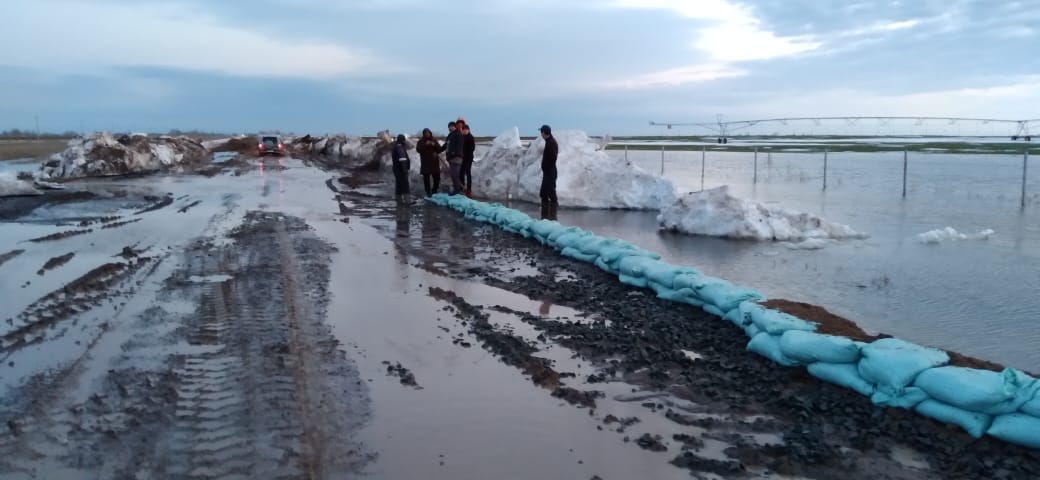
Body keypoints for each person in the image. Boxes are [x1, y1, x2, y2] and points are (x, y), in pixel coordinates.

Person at [539, 124, 558, 220]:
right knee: (543, 193)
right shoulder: (548, 141)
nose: (540, 134)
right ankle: (545, 216)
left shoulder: (551, 143)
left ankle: (553, 215)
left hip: (550, 172)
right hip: (548, 172)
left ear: (544, 132)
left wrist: (547, 167)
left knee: (550, 193)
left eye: (541, 132)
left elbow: (553, 158)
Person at [416, 128, 441, 196]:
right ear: (424, 134)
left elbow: (439, 149)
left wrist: (434, 145)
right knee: (426, 179)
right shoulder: (421, 141)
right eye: (426, 133)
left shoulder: (434, 140)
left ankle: (434, 190)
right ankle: (428, 191)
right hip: (425, 163)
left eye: (428, 133)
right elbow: (418, 150)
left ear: (430, 133)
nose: (427, 134)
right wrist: (425, 144)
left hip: (434, 163)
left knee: (437, 178)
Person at [444, 120, 465, 195]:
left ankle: (458, 191)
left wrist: (454, 152)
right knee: (453, 175)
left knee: (455, 175)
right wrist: (438, 150)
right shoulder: (450, 136)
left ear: (455, 127)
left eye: (451, 126)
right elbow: (445, 146)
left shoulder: (458, 134)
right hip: (450, 158)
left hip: (457, 157)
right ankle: (457, 189)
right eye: (449, 127)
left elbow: (459, 145)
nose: (450, 128)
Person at [391, 134, 412, 204]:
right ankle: (407, 201)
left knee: (399, 185)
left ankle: (399, 200)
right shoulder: (400, 147)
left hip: (397, 169)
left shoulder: (397, 146)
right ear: (402, 140)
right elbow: (402, 158)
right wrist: (405, 169)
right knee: (405, 185)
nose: (405, 141)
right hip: (401, 169)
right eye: (404, 140)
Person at [461, 123, 476, 197]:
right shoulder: (461, 137)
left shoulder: (470, 138)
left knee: (468, 172)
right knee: (461, 173)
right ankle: (462, 187)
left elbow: (472, 148)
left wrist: (466, 152)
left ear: (469, 130)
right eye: (463, 130)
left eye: (466, 130)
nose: (465, 131)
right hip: (462, 158)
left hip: (468, 158)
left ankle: (469, 189)